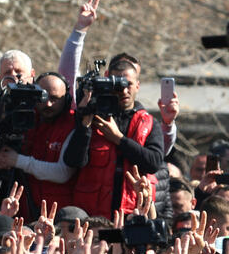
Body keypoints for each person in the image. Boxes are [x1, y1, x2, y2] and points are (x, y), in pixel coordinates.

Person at [63, 54, 165, 219]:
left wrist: (119, 139)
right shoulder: (94, 117)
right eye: (118, 86)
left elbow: (153, 163)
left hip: (132, 214)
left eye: (128, 84)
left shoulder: (149, 122)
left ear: (138, 85)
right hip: (93, 216)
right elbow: (73, 161)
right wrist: (84, 125)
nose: (124, 91)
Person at [0, 72, 76, 218]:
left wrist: (16, 160)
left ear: (66, 99)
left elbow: (63, 173)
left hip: (58, 215)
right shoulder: (25, 117)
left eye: (55, 99)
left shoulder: (72, 124)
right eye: (44, 97)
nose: (48, 104)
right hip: (23, 211)